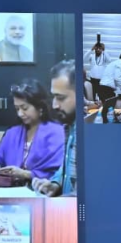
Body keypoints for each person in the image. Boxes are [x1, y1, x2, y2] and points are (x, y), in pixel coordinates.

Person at [0, 79, 65, 184]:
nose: (20, 114)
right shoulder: (12, 133)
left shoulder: (57, 133)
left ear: (40, 108)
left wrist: (26, 174)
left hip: (41, 190)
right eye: (17, 109)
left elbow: (59, 173)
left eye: (24, 108)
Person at [33, 60, 78, 197]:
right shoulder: (70, 125)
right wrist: (55, 184)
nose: (54, 105)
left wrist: (58, 204)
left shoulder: (93, 132)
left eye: (61, 98)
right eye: (54, 97)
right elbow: (69, 166)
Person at [97, 53, 121, 123]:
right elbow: (117, 78)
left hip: (102, 88)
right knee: (109, 111)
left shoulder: (114, 63)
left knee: (107, 111)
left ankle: (110, 124)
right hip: (106, 89)